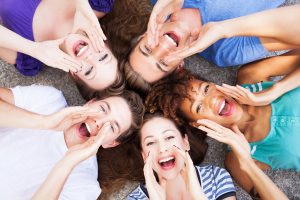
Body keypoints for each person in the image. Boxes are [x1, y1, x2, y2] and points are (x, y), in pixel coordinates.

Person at [145, 68, 300, 194]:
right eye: (199, 107)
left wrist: (276, 90)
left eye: (206, 89)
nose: (212, 100)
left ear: (212, 83)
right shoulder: (235, 161)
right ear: (197, 124)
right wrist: (247, 163)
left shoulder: (251, 75)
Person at [0, 84, 145, 199]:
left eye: (111, 127)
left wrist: (67, 162)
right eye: (102, 109)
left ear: (111, 143)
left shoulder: (85, 186)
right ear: (90, 103)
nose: (99, 122)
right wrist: (45, 122)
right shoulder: (49, 99)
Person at [123, 2, 300, 93]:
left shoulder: (161, 3)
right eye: (162, 63)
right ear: (179, 65)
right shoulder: (226, 51)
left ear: (143, 36)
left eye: (147, 49)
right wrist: (225, 29)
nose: (163, 48)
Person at [0, 0, 123, 97]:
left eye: (89, 71)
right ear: (107, 44)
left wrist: (32, 48)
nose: (90, 58)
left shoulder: (28, 60)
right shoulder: (98, 3)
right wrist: (81, 4)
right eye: (103, 57)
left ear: (75, 75)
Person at [127, 113, 237, 200]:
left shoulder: (216, 177)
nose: (162, 148)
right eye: (150, 143)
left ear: (185, 143)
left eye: (169, 137)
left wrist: (198, 197)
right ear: (143, 155)